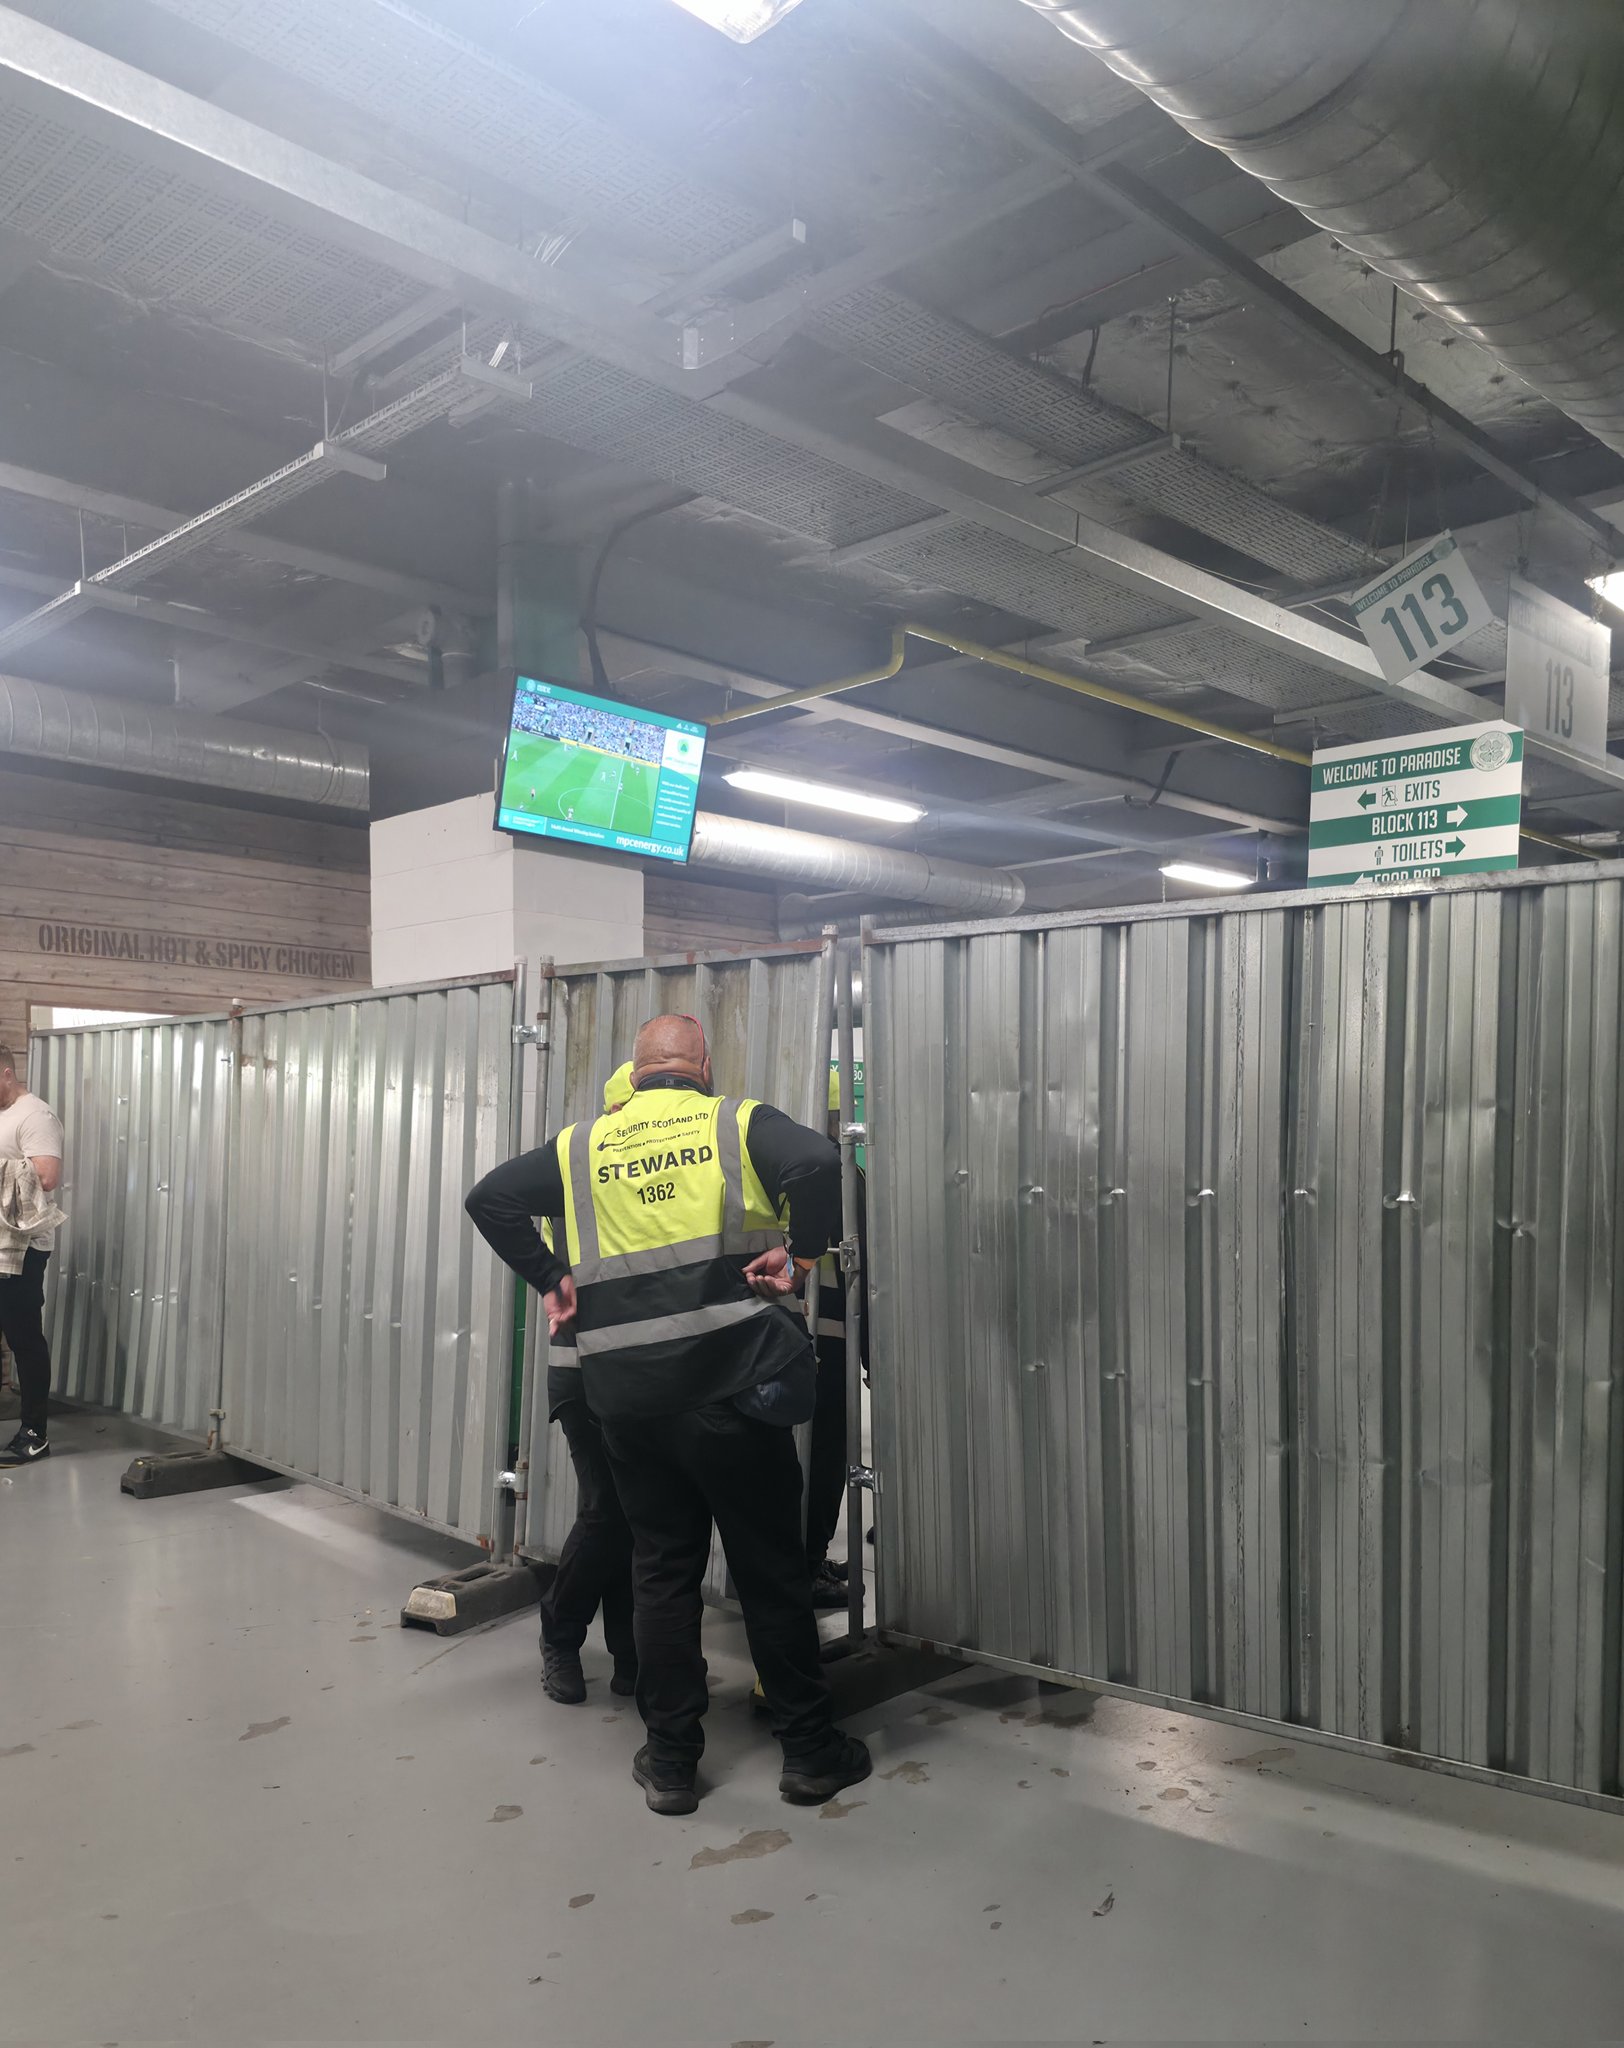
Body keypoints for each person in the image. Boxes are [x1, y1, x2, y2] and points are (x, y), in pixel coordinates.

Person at [465, 1014, 870, 1817]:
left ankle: (673, 1761)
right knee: (769, 1573)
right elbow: (820, 1161)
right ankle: (808, 1753)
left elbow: (490, 1199)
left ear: (638, 1069)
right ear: (703, 1067)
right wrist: (801, 1254)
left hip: (630, 1404)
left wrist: (551, 1277)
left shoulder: (583, 1146)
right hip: (733, 1396)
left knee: (662, 1574)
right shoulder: (735, 1124)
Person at [524, 1061, 638, 1706]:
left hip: (641, 1372)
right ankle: (560, 1636)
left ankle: (631, 1656)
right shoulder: (584, 1173)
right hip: (584, 1368)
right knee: (607, 1511)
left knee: (635, 1516)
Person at [805, 1066, 868, 1607]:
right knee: (826, 1461)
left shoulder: (784, 1166)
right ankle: (808, 1567)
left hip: (796, 1340)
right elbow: (864, 1271)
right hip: (831, 1340)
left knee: (805, 1461)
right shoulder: (841, 1174)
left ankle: (809, 1559)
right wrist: (871, 1354)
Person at [0, 1045, 65, 1467]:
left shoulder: (35, 1116)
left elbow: (46, 1175)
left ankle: (35, 1434)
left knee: (23, 1337)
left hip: (21, 1247)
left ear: (6, 1073)